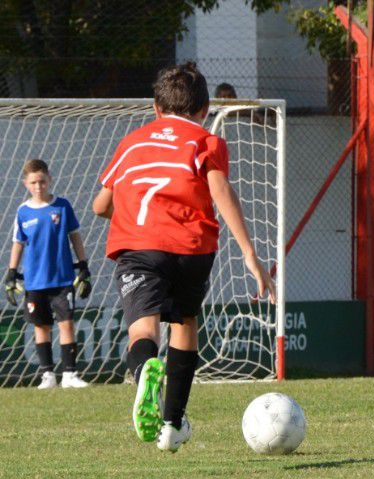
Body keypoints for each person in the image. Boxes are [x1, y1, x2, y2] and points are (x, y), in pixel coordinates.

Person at [92, 62, 275, 452]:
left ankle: (144, 372)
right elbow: (220, 191)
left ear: (156, 108)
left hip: (140, 247)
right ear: (205, 109)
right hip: (192, 248)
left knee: (143, 330)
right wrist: (249, 254)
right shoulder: (206, 141)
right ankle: (173, 423)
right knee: (185, 322)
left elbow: (100, 206)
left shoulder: (132, 142)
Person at [6, 159, 91, 389]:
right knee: (41, 327)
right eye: (33, 182)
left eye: (42, 181)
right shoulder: (23, 212)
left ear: (49, 179)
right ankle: (48, 375)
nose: (38, 186)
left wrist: (83, 265)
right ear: (25, 183)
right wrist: (12, 272)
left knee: (67, 324)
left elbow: (75, 236)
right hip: (35, 281)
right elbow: (18, 243)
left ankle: (70, 375)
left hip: (62, 278)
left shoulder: (62, 206)